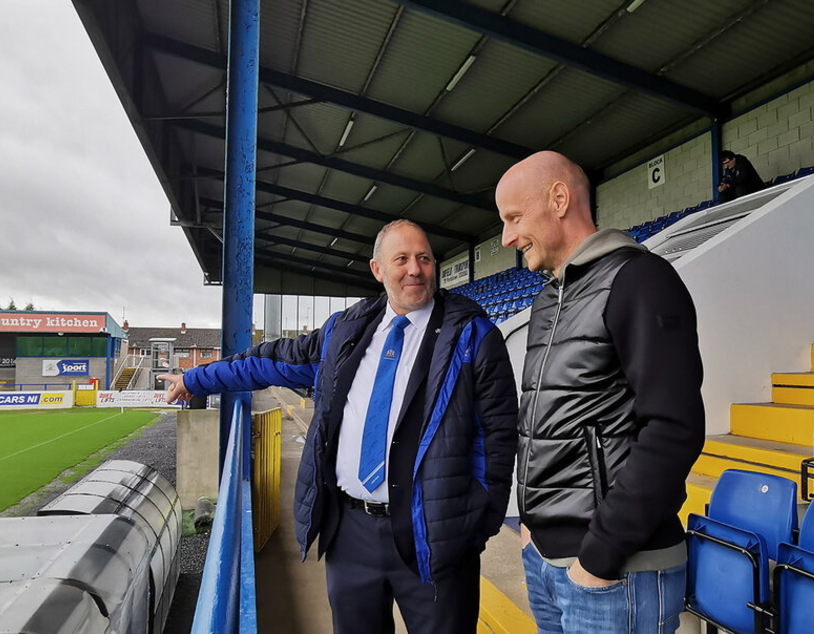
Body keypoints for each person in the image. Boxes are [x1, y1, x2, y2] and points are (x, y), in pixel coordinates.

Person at [159, 220, 518, 634]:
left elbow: (498, 439)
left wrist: (476, 527)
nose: (415, 269)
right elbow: (272, 361)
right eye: (401, 259)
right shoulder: (346, 331)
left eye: (424, 258)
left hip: (435, 537)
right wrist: (195, 379)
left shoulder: (473, 336)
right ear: (377, 269)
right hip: (350, 533)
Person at [495, 151, 705, 633]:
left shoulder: (640, 280)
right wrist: (532, 527)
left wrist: (601, 555)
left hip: (615, 572)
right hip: (549, 558)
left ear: (560, 198)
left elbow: (674, 428)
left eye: (513, 218)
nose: (507, 237)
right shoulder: (550, 298)